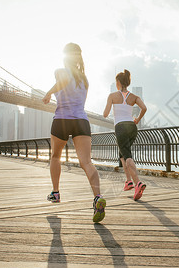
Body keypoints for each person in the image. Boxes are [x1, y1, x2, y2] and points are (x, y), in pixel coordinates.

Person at [42, 42, 106, 223]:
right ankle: (97, 197)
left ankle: (55, 193)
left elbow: (61, 81)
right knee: (86, 161)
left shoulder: (60, 72)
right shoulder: (85, 79)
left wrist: (48, 93)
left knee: (55, 156)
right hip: (81, 121)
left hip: (62, 119)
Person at [103, 69, 147, 201]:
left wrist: (111, 108)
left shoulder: (112, 96)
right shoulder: (134, 97)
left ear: (118, 82)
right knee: (122, 154)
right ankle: (128, 181)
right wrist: (137, 120)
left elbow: (105, 114)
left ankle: (138, 183)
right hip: (132, 127)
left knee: (127, 156)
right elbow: (144, 108)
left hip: (121, 127)